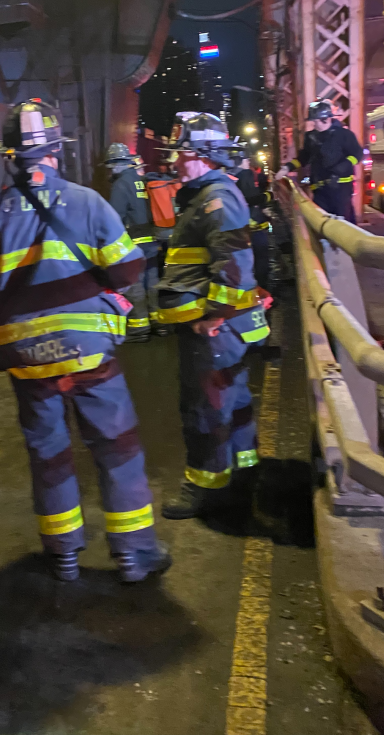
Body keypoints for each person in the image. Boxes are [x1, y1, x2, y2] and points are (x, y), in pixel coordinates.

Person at [0, 98, 171, 583]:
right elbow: (128, 268)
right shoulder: (88, 201)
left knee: (49, 452)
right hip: (87, 349)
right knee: (116, 448)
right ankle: (134, 555)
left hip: (28, 358)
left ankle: (64, 555)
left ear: (10, 156)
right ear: (57, 151)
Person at [157, 112, 270, 520]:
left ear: (203, 155)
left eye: (181, 153)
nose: (174, 162)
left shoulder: (215, 200)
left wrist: (213, 316)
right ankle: (243, 476)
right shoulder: (209, 196)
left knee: (206, 409)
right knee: (234, 401)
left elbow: (233, 264)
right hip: (228, 328)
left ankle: (206, 488)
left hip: (217, 330)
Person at [103, 144, 165, 341]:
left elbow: (115, 218)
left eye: (111, 166)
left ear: (116, 164)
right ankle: (159, 322)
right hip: (151, 240)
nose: (110, 171)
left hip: (134, 243)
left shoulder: (121, 184)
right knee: (152, 283)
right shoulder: (139, 180)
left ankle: (139, 326)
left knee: (134, 284)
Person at [275, 99, 363, 222]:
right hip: (319, 189)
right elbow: (304, 158)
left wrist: (345, 165)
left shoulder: (344, 135)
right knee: (321, 221)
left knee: (344, 221)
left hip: (340, 187)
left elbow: (357, 153)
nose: (314, 125)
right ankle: (324, 241)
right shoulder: (310, 137)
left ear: (326, 119)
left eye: (316, 121)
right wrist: (287, 167)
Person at [234, 155, 272, 290]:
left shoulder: (228, 177)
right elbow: (251, 199)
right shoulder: (245, 175)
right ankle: (262, 291)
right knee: (260, 261)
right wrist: (268, 196)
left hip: (239, 229)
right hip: (253, 230)